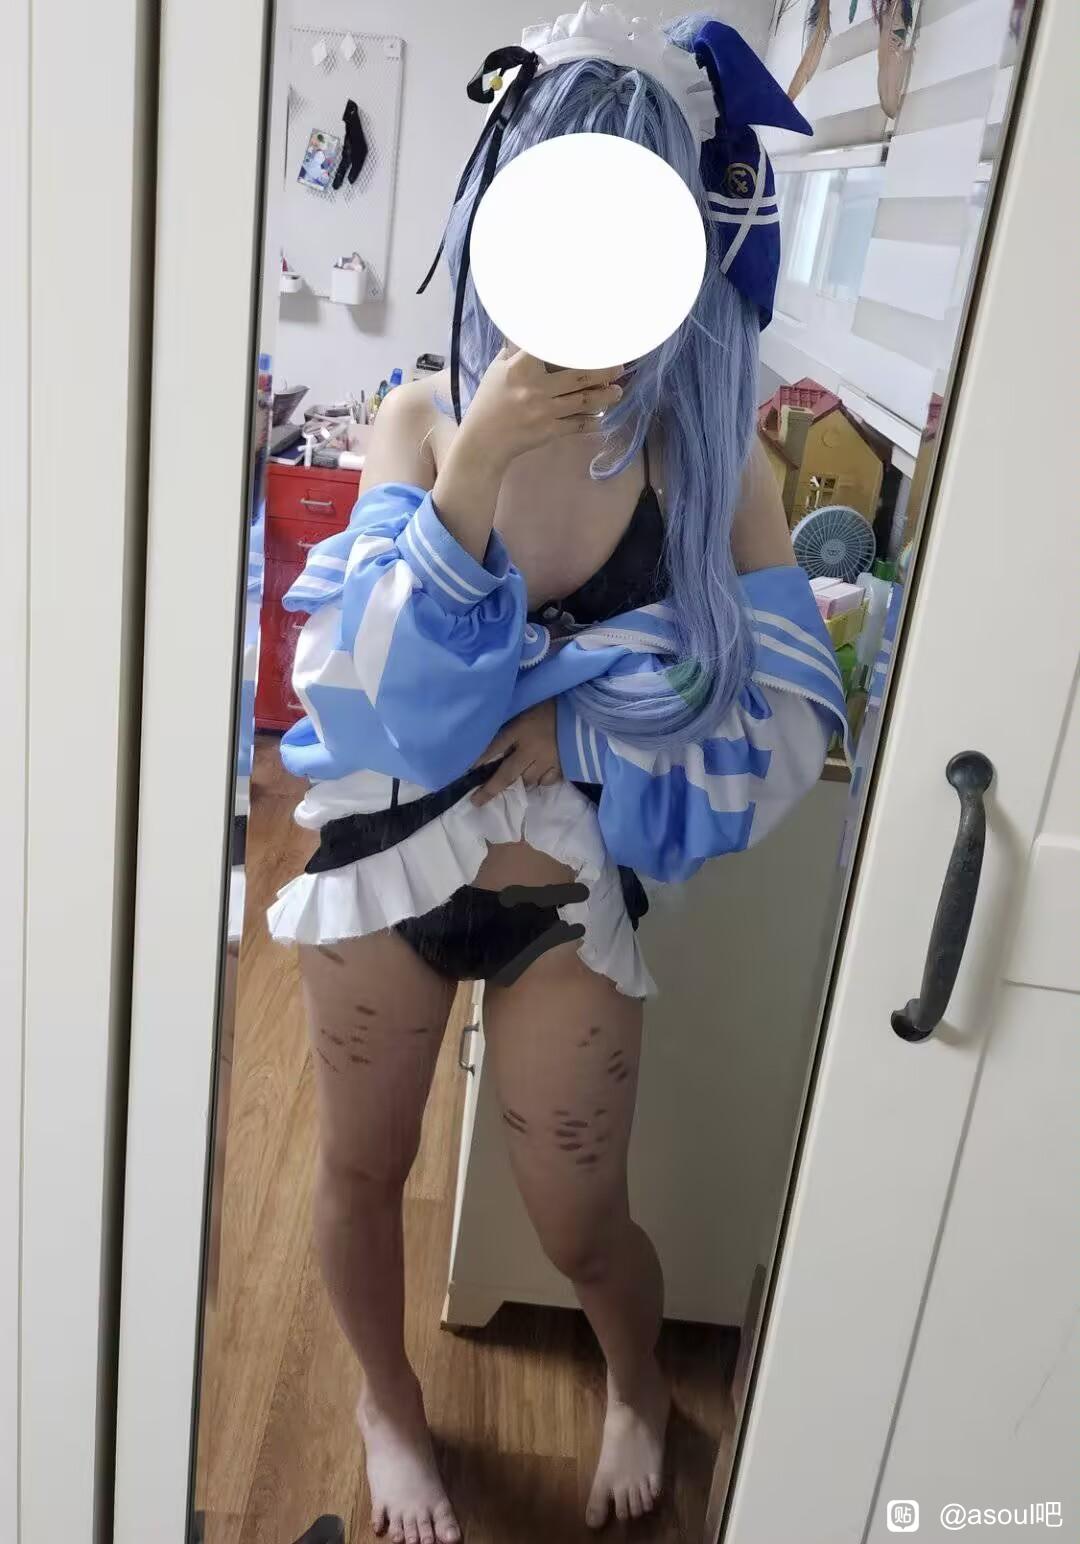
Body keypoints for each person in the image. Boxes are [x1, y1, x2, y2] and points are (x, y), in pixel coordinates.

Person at [267, 10, 841, 1542]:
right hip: (385, 875)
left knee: (584, 1223)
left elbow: (790, 719)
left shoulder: (718, 463)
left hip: (565, 904)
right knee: (361, 1166)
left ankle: (638, 1382)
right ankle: (390, 1409)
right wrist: (469, 472)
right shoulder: (420, 418)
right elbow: (363, 701)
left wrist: (576, 731)